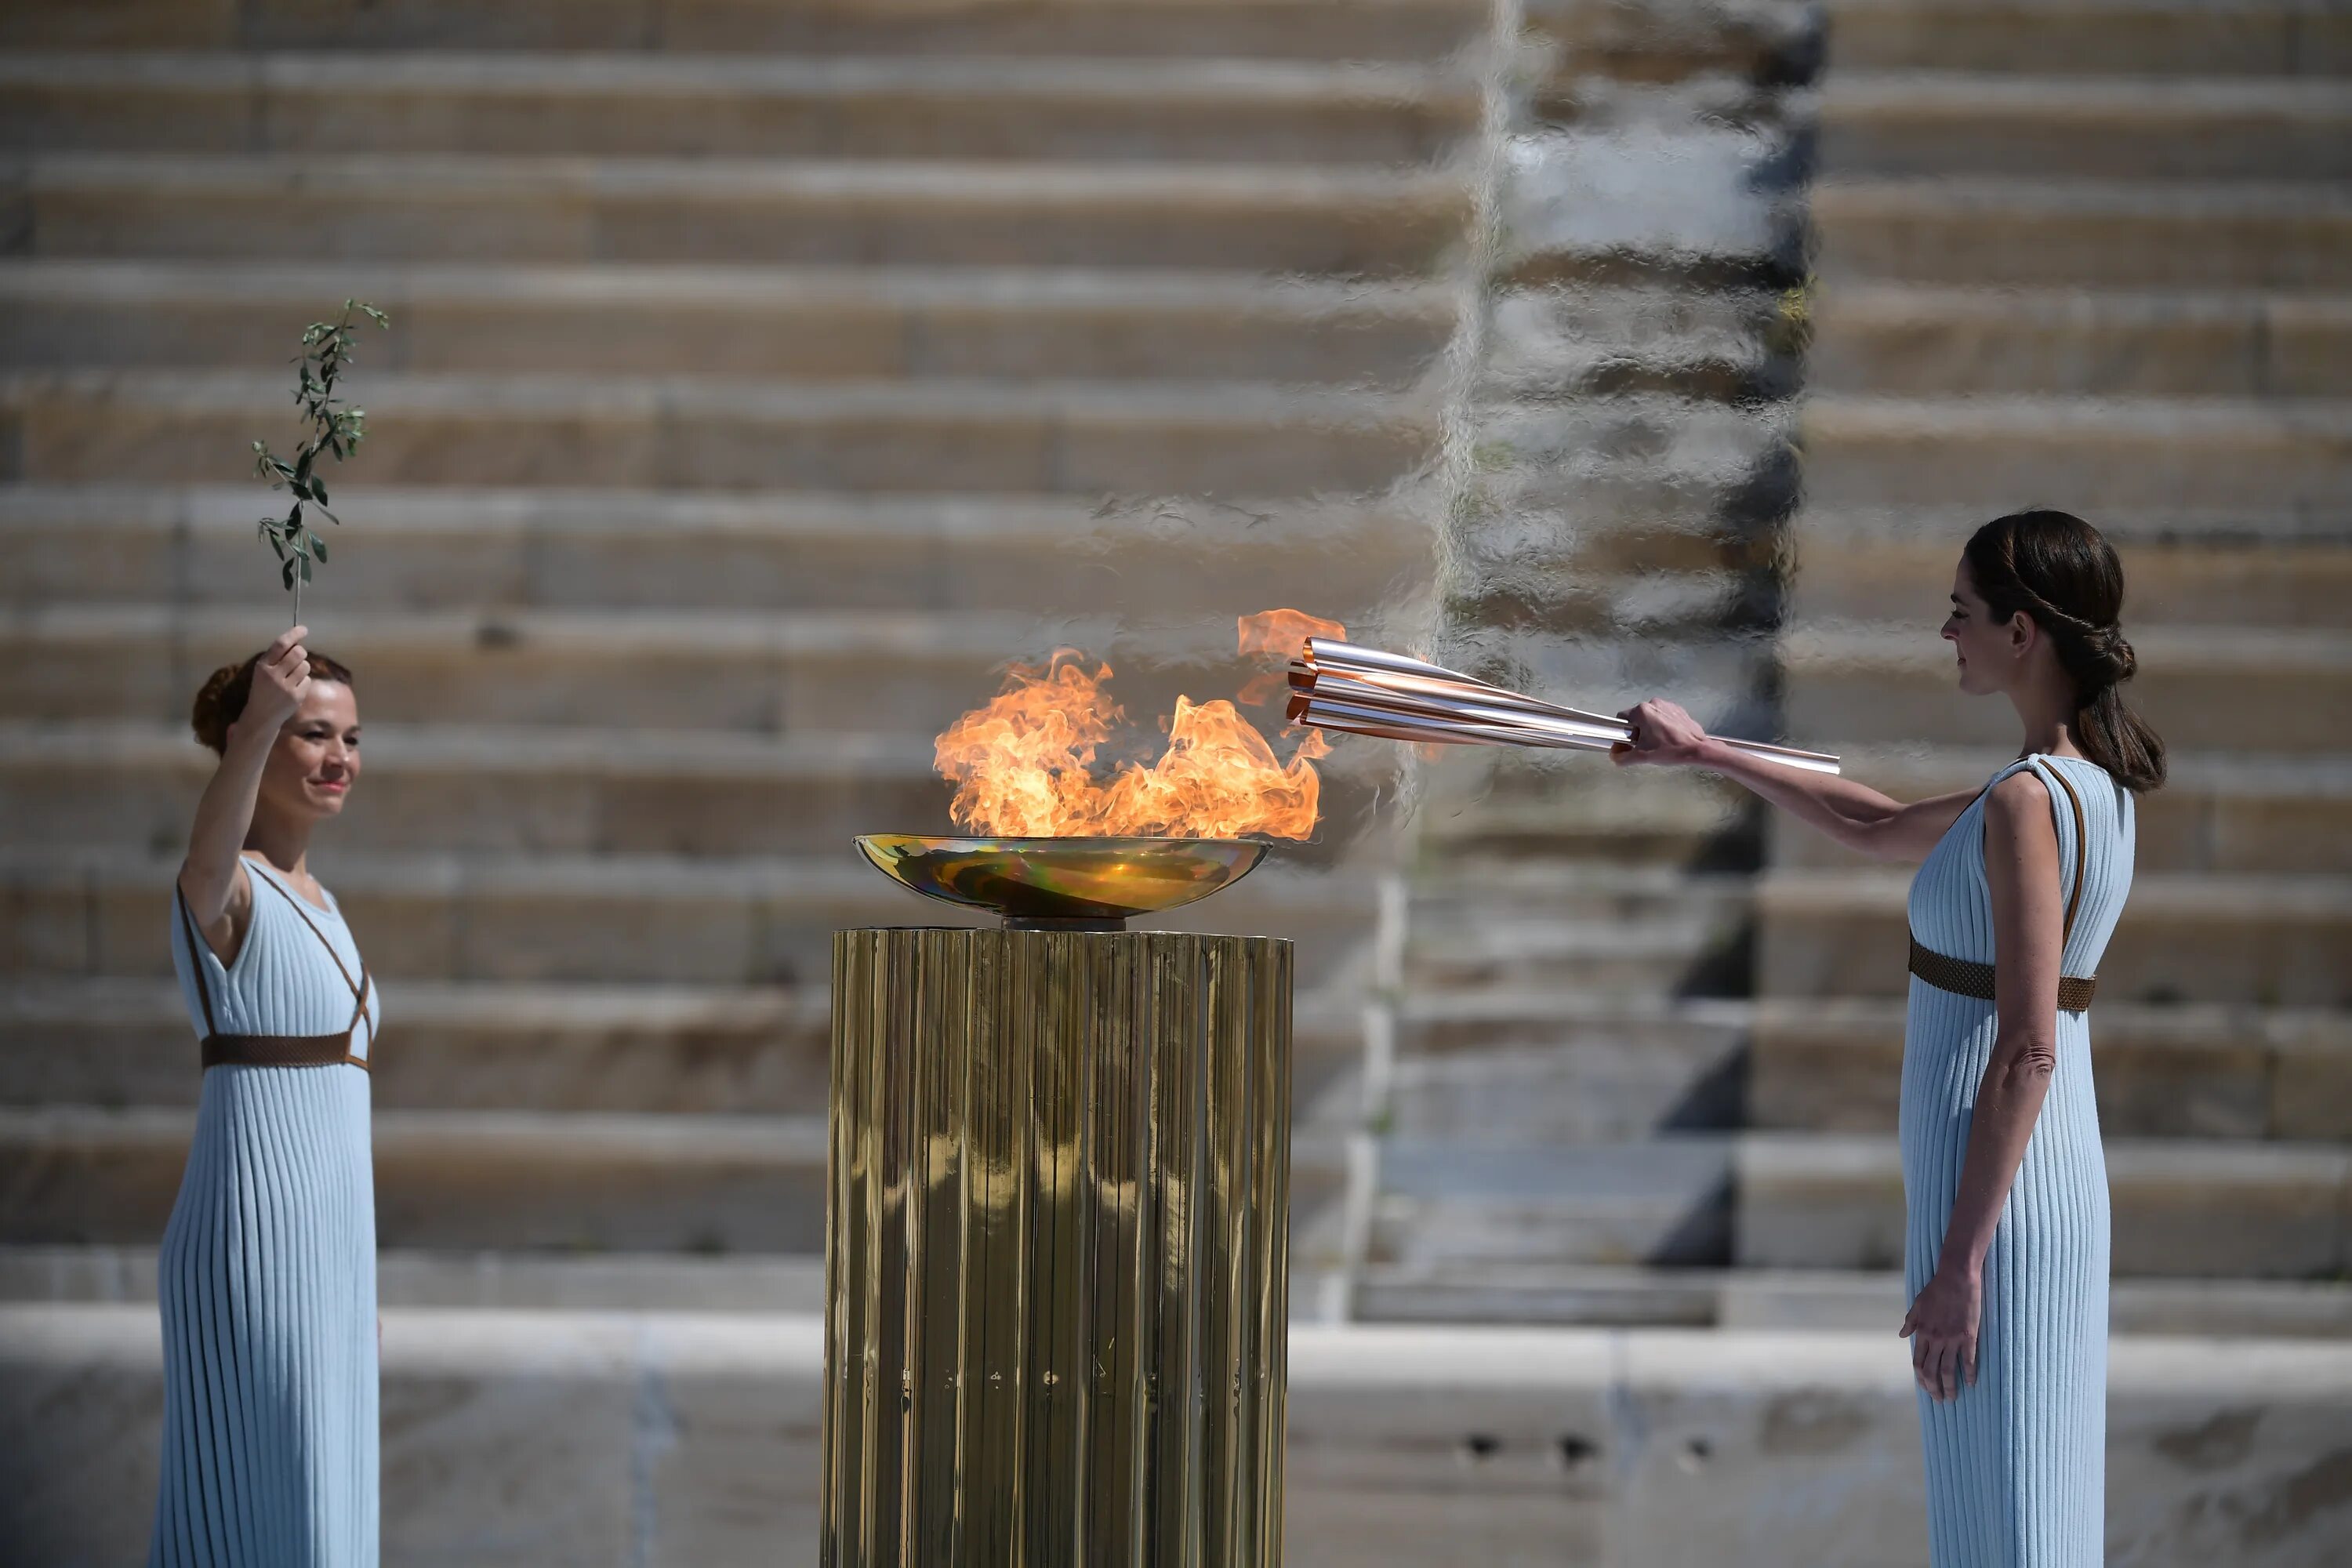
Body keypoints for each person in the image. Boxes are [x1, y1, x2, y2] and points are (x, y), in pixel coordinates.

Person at [1616, 509, 2163, 1565]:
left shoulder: (2026, 805)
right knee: (2021, 1510)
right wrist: (1705, 752)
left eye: (1962, 615)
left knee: (2009, 1521)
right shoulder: (2084, 792)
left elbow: (2030, 1047)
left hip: (1995, 1206)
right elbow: (1872, 825)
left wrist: (1962, 1259)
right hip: (2032, 1191)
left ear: (2024, 634)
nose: (1946, 635)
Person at [151, 625, 381, 1567]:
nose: (340, 759)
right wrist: (256, 725)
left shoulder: (321, 897)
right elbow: (203, 869)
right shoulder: (230, 886)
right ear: (259, 738)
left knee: (327, 1499)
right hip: (255, 1232)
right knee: (260, 1504)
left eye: (352, 738)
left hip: (334, 1245)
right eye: (313, 733)